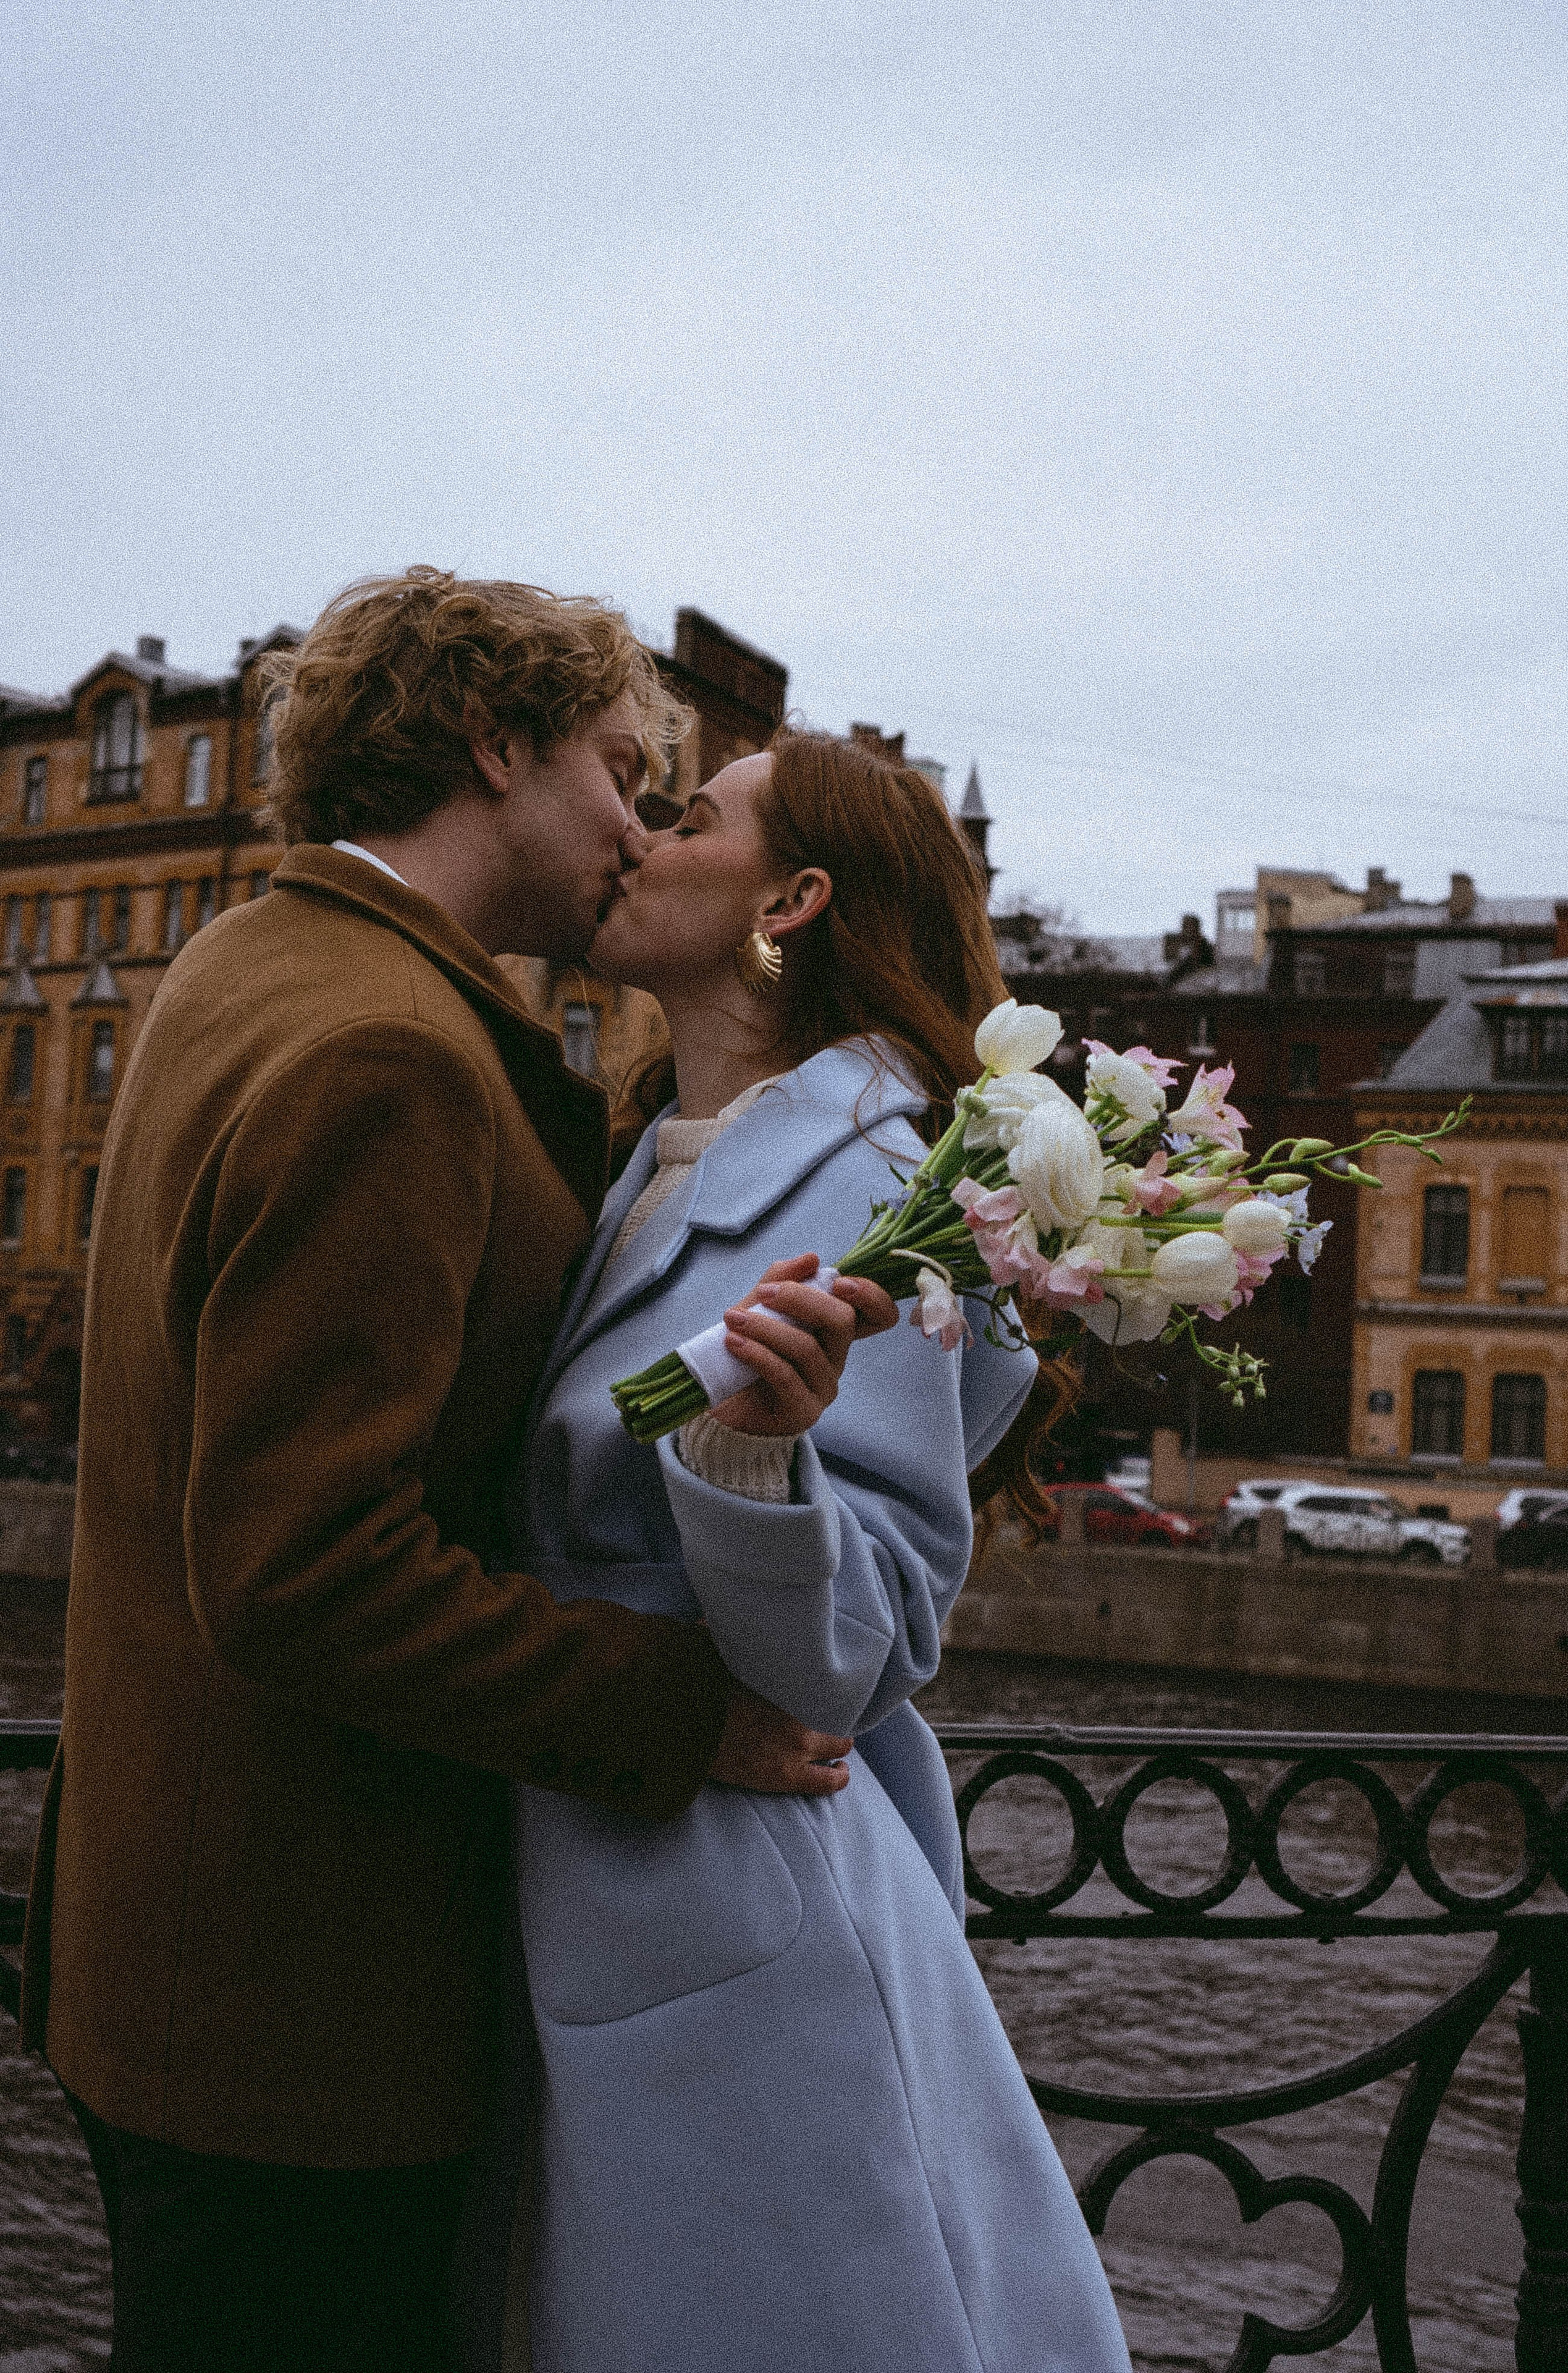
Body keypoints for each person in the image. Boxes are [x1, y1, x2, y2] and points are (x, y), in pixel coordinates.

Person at [21, 570, 883, 2373]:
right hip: (301, 2016)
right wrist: (680, 1715)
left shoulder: (251, 964)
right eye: (616, 768)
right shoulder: (389, 1056)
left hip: (172, 1958)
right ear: (495, 747)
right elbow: (309, 1573)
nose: (635, 824)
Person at [494, 729, 1133, 2371]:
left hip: (728, 1887)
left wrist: (748, 1458)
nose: (643, 834)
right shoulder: (653, 1152)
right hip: (612, 1860)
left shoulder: (894, 1164)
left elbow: (863, 1647)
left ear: (788, 899)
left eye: (691, 814)